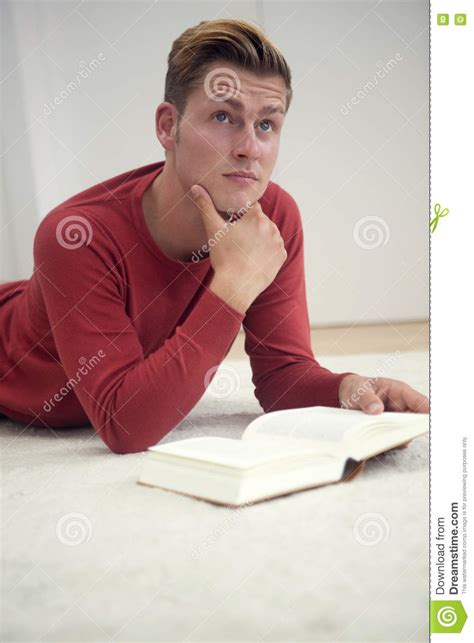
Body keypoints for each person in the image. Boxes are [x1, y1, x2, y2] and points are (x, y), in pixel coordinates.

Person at [0, 19, 428, 454]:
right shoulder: (75, 235)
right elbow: (124, 424)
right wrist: (233, 286)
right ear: (169, 126)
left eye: (267, 125)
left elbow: (282, 375)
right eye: (223, 117)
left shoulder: (273, 219)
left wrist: (349, 389)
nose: (250, 148)